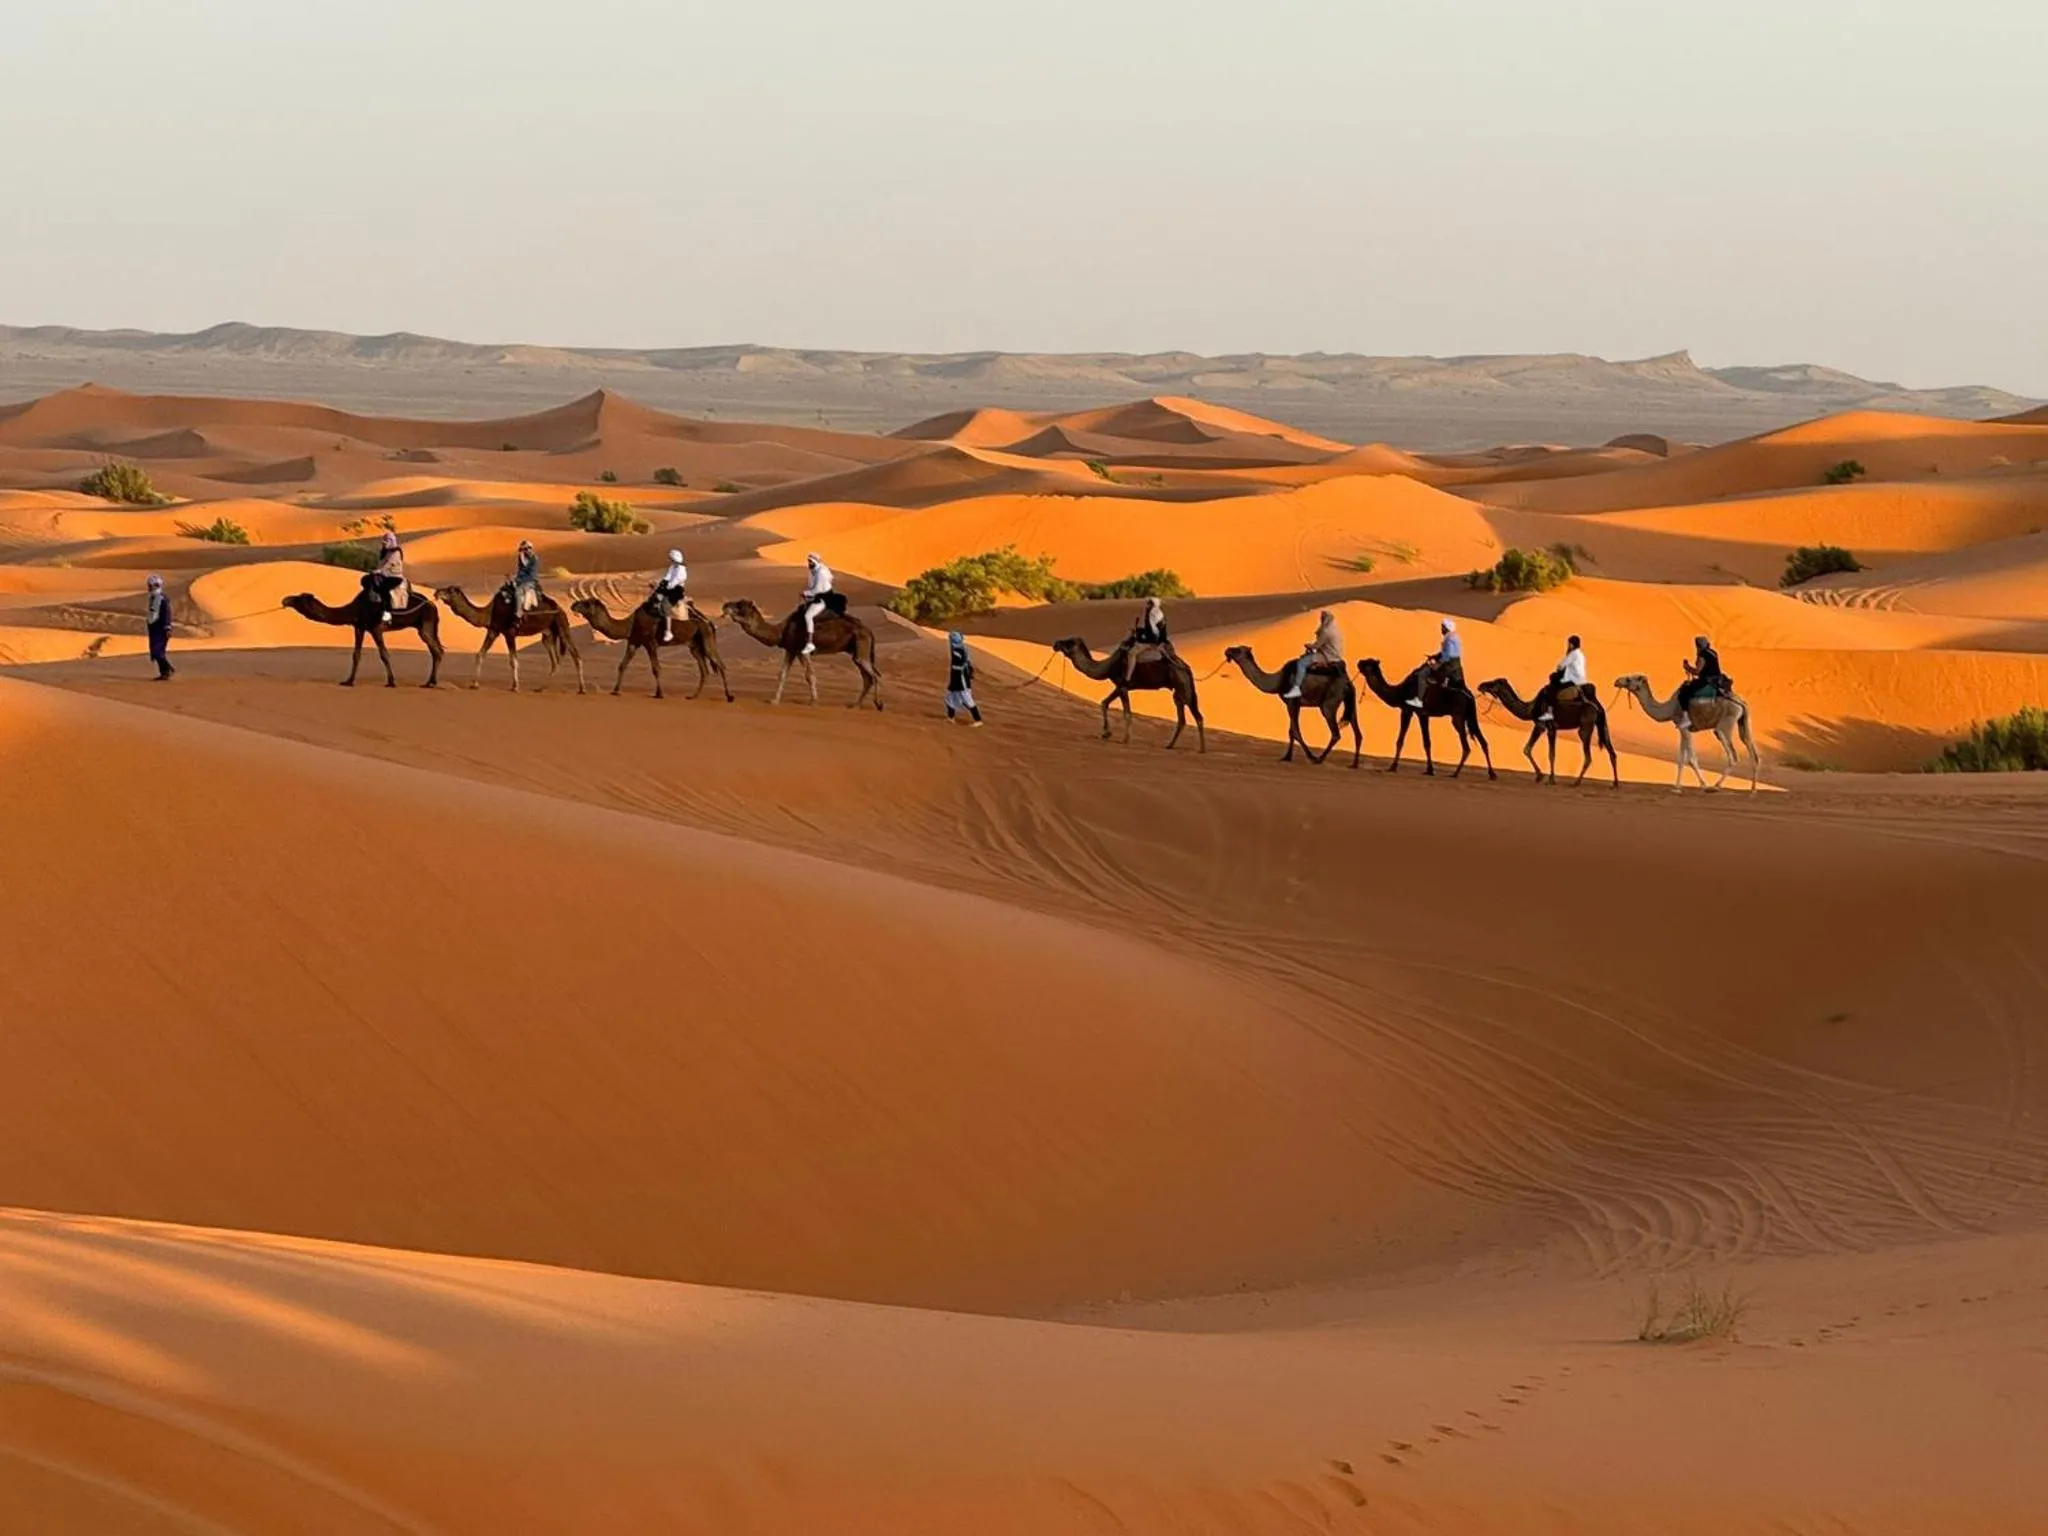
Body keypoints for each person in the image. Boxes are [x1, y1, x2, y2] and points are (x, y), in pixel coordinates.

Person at [1283, 609, 1344, 699]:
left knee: (1301, 663)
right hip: (1335, 655)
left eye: (1322, 618)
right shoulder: (1335, 629)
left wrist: (1309, 645)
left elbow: (1317, 646)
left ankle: (1296, 688)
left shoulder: (1326, 631)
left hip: (1328, 656)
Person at [1407, 618, 1464, 708]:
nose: (1441, 629)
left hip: (1448, 666)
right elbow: (1448, 653)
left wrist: (1436, 663)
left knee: (1422, 673)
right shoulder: (1455, 637)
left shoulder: (1448, 638)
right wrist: (1434, 656)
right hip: (1456, 665)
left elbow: (1447, 655)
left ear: (1446, 628)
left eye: (1442, 627)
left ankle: (1419, 700)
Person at [1534, 633, 1589, 723]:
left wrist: (1559, 669)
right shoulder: (1581, 654)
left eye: (1569, 644)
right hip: (1581, 680)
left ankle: (1550, 712)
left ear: (1572, 644)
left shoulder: (1573, 654)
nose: (1568, 646)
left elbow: (1561, 665)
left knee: (1551, 689)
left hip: (1573, 681)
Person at [1675, 634, 1727, 727]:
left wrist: (1687, 667)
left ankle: (1686, 718)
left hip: (1707, 681)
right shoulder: (1713, 652)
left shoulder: (1702, 655)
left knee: (1684, 692)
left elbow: (1697, 672)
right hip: (1717, 680)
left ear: (1698, 645)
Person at [1119, 596, 1171, 682]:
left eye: (1149, 604)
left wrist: (1140, 638)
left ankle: (1127, 679)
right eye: (1148, 603)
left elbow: (1153, 633)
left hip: (1152, 642)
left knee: (1131, 654)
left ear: (1153, 605)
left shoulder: (1153, 616)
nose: (1147, 605)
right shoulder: (1156, 614)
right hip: (1154, 640)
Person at [798, 553, 839, 655]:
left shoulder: (820, 573)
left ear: (815, 562)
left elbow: (817, 589)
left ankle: (810, 643)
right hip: (819, 595)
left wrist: (805, 593)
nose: (809, 563)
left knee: (808, 616)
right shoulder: (816, 570)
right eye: (808, 561)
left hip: (823, 598)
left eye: (810, 561)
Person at [365, 531, 407, 625]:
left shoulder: (396, 552)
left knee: (384, 589)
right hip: (385, 575)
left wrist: (379, 571)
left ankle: (388, 612)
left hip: (395, 577)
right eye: (384, 542)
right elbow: (382, 564)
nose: (384, 544)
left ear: (391, 541)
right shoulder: (386, 552)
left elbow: (389, 564)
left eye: (386, 541)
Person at [944, 630, 984, 726]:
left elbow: (961, 665)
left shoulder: (958, 651)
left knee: (967, 699)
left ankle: (978, 720)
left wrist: (966, 671)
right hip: (956, 679)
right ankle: (951, 718)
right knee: (950, 698)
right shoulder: (960, 649)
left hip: (961, 680)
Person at [652, 547, 688, 642]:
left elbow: (673, 583)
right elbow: (666, 578)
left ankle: (668, 631)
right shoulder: (672, 567)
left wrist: (663, 589)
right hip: (669, 588)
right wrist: (659, 585)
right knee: (654, 598)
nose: (670, 560)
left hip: (676, 590)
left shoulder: (681, 571)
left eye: (671, 559)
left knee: (665, 604)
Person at [145, 573, 174, 681]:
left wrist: (167, 627)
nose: (148, 588)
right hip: (154, 628)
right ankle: (164, 672)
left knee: (158, 651)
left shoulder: (162, 599)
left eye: (150, 585)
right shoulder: (153, 598)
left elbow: (167, 614)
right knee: (156, 651)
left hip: (161, 629)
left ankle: (168, 669)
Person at [507, 538, 543, 618]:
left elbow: (530, 574)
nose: (525, 551)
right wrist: (513, 578)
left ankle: (519, 612)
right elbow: (520, 571)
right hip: (521, 580)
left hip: (530, 581)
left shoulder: (534, 559)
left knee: (518, 592)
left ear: (531, 548)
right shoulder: (522, 558)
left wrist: (517, 580)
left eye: (527, 548)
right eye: (523, 549)